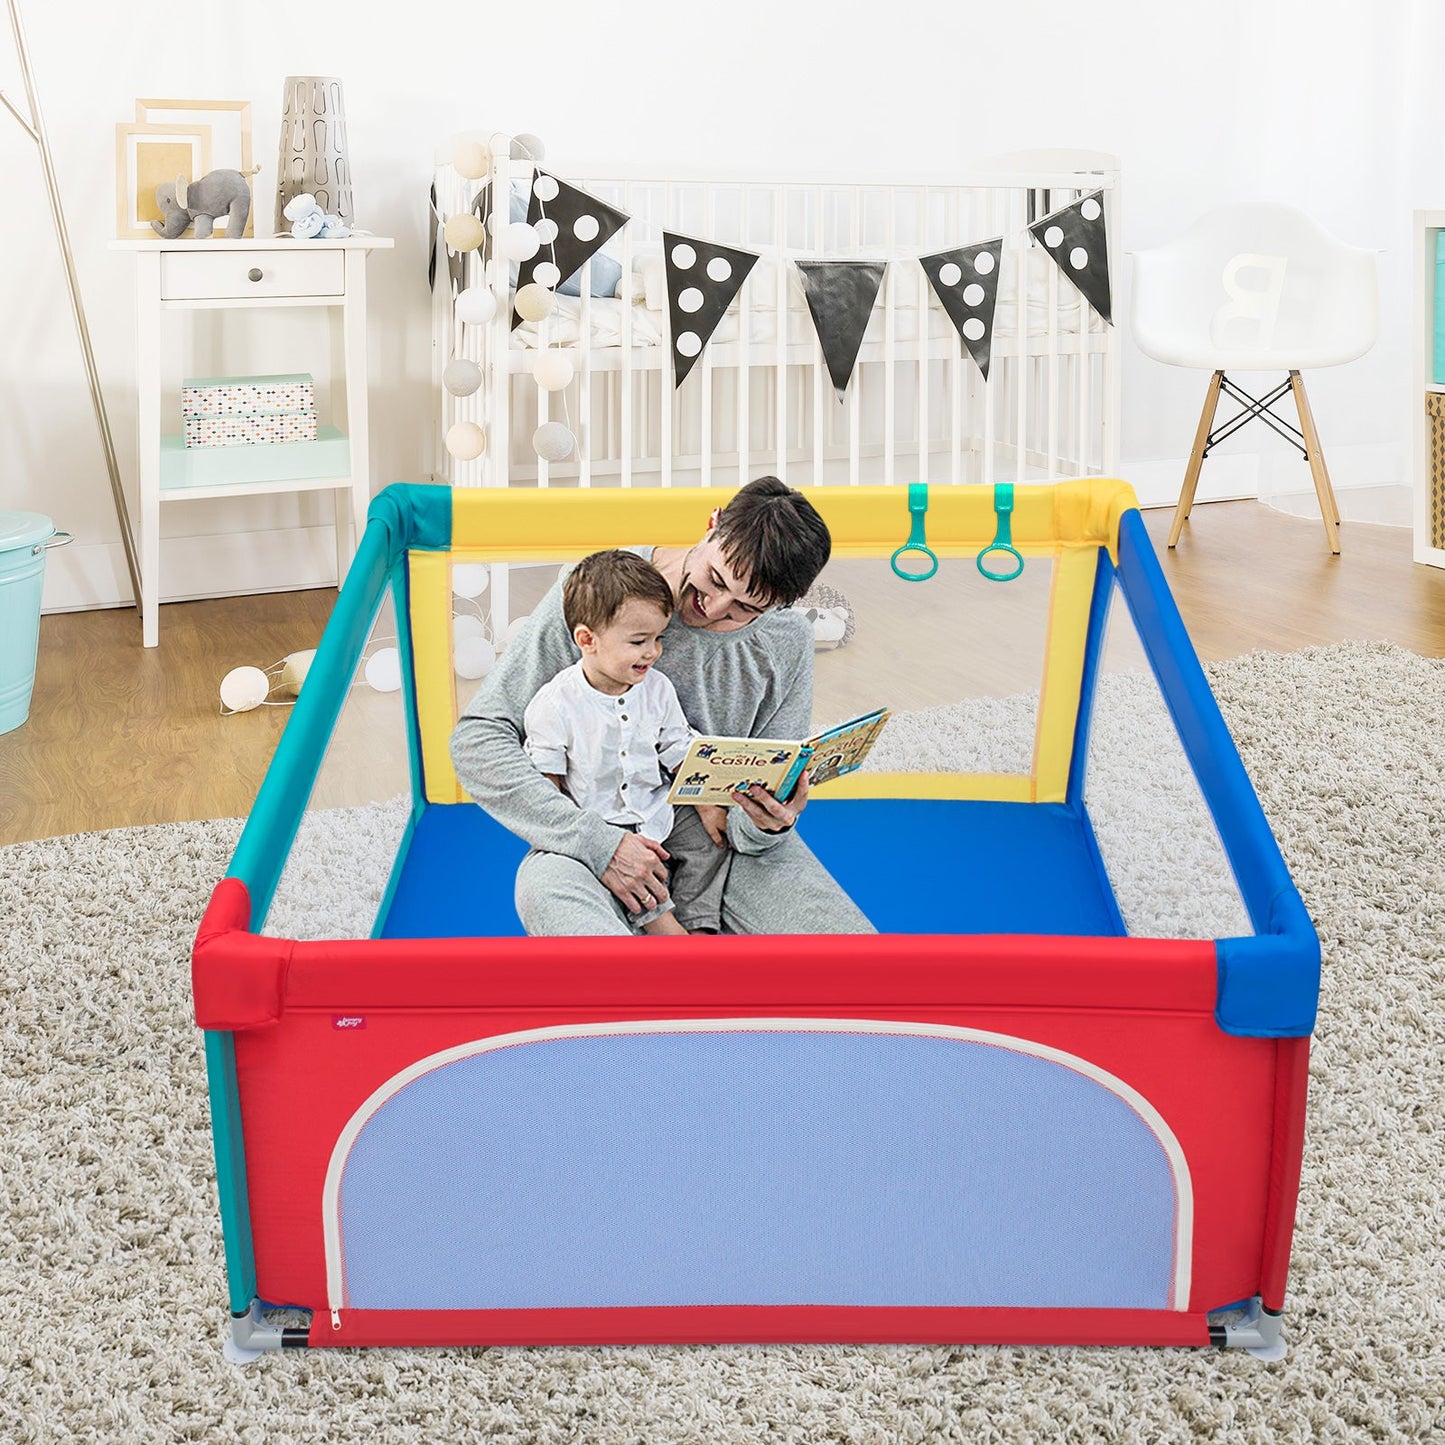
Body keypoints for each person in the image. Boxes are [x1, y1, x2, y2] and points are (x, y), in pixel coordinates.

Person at [450, 476, 874, 937]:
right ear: (712, 524)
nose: (714, 608)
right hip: (595, 836)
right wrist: (597, 843)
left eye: (746, 608)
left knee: (859, 961)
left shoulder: (786, 639)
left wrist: (767, 822)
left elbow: (753, 810)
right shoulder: (600, 593)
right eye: (715, 579)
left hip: (721, 850)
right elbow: (478, 740)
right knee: (546, 892)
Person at [521, 550, 700, 936]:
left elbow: (677, 748)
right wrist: (576, 836)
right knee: (625, 876)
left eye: (658, 638)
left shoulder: (657, 688)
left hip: (655, 814)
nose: (652, 652)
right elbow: (546, 785)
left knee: (708, 844)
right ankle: (662, 924)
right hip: (597, 824)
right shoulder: (555, 704)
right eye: (638, 641)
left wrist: (711, 789)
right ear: (587, 640)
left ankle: (700, 920)